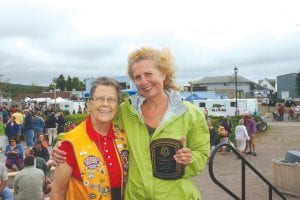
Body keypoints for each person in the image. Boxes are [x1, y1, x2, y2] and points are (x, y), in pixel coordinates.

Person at [52, 47, 210, 200]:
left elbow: (202, 154)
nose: (143, 81)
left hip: (177, 196)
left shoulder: (190, 114)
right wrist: (61, 142)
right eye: (138, 77)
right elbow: (96, 125)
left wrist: (189, 160)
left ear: (163, 74)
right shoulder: (125, 111)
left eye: (148, 74)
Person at [51, 77, 129, 200]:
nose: (105, 104)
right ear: (89, 104)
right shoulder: (70, 143)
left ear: (117, 106)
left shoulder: (123, 136)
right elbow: (58, 191)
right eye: (99, 99)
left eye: (111, 100)